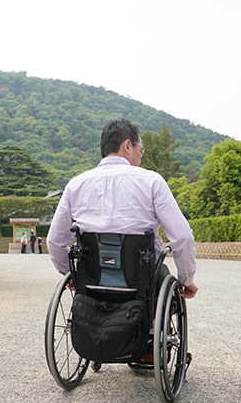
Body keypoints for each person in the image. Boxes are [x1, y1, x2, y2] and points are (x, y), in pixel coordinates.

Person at [47, 119, 198, 300]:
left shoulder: (76, 185)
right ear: (127, 146)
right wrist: (186, 278)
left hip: (91, 281)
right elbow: (183, 236)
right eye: (140, 151)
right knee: (162, 273)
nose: (141, 157)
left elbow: (55, 240)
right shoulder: (152, 182)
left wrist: (69, 273)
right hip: (142, 283)